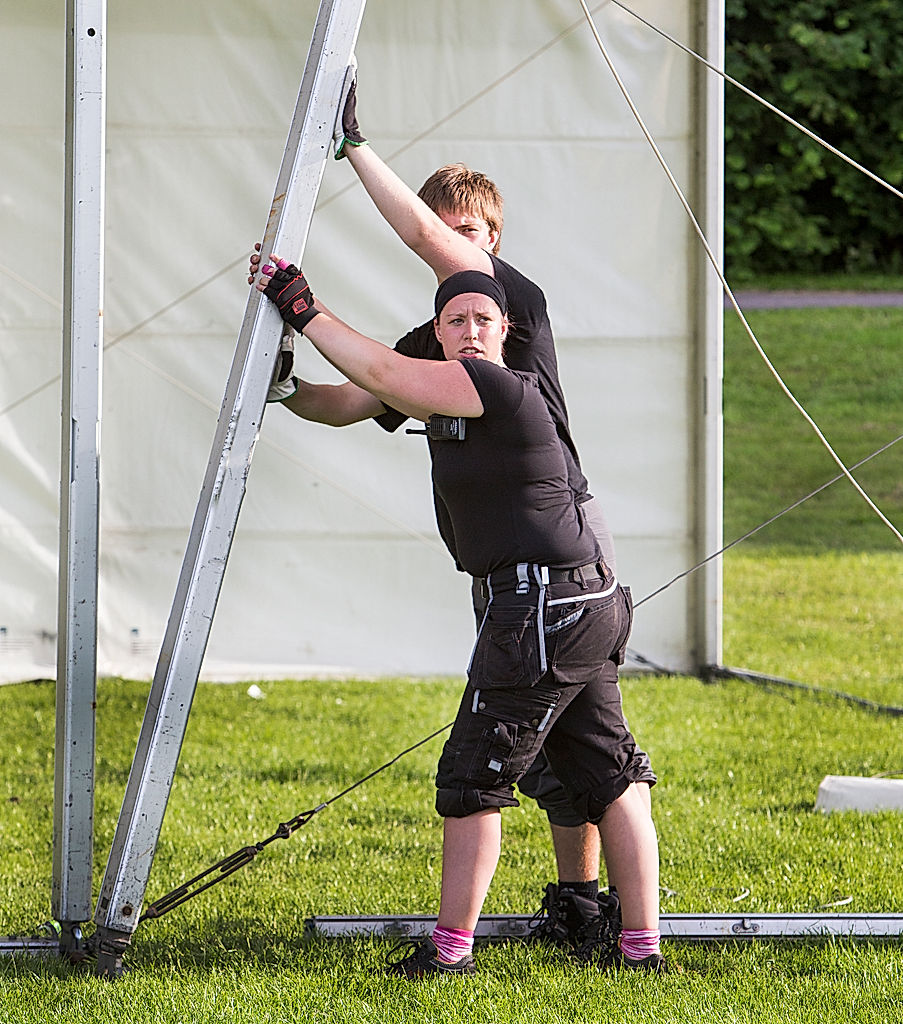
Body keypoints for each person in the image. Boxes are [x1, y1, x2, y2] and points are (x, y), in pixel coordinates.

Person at [250, 77, 657, 950]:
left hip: (551, 581)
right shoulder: (440, 336)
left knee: (485, 775)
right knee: (580, 765)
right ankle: (593, 915)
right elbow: (354, 399)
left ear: (492, 245)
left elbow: (407, 291)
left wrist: (352, 149)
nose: (454, 251)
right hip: (547, 585)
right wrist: (282, 389)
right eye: (446, 233)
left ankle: (458, 951)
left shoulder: (509, 314)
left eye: (468, 236)